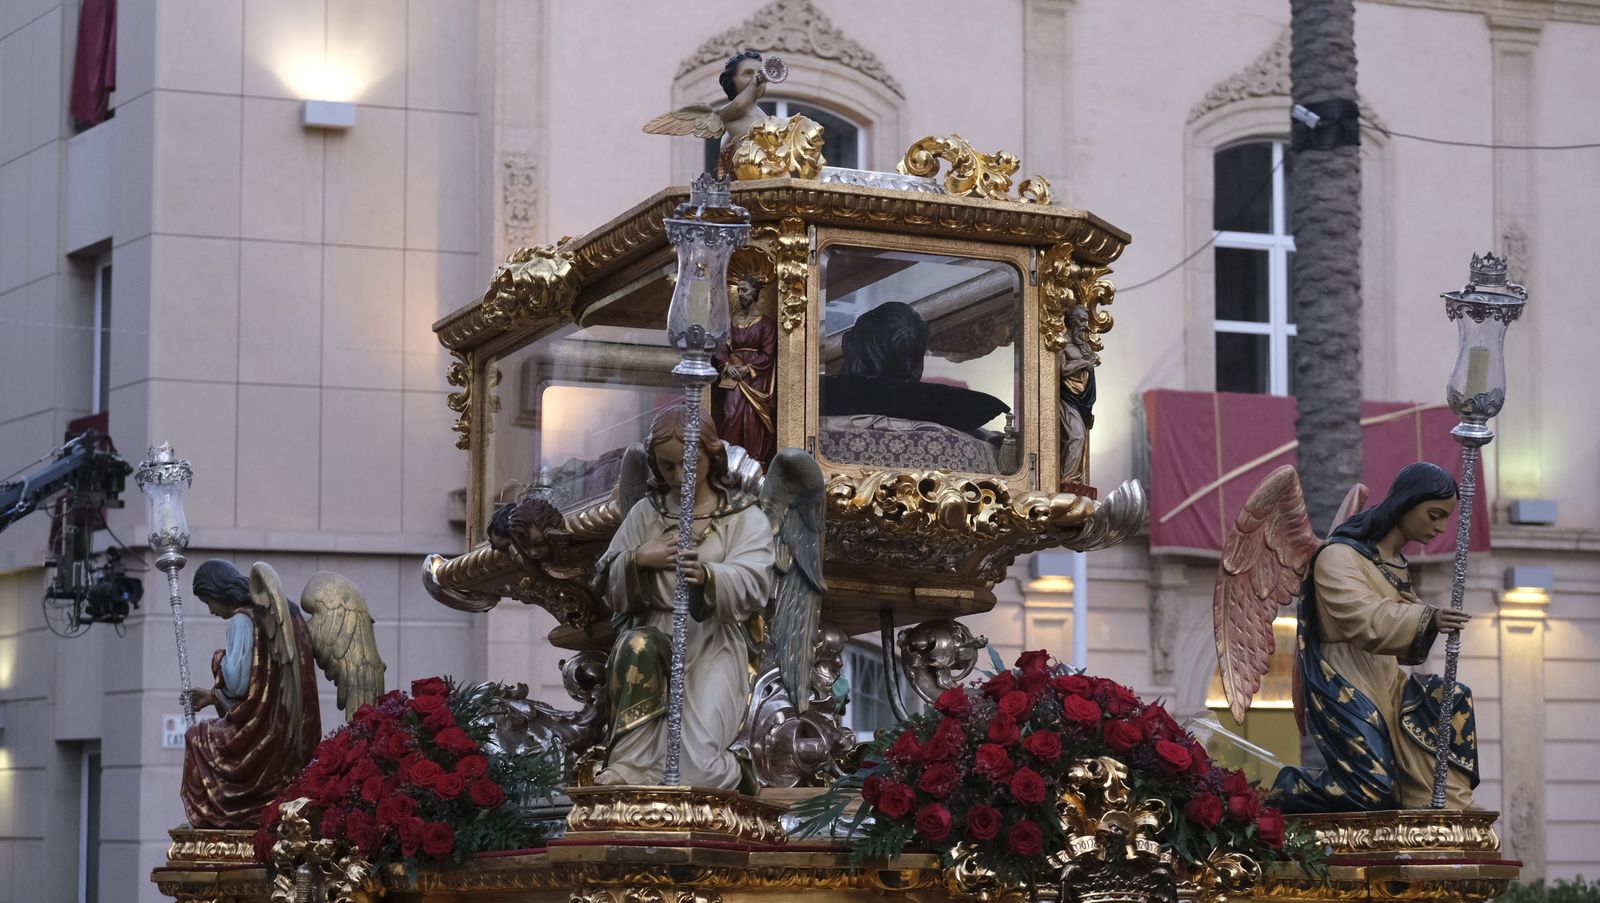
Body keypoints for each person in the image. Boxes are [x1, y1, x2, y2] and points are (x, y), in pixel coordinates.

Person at [1272, 463, 1479, 811]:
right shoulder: (1338, 556)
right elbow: (1363, 619)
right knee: (1371, 790)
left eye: (1446, 518)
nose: (1441, 528)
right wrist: (1429, 619)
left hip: (1386, 680)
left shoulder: (1392, 563)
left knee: (1453, 697)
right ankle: (1281, 792)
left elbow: (1405, 633)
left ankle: (1446, 802)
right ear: (1406, 503)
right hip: (1344, 681)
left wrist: (1429, 619)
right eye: (1434, 515)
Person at [593, 404, 774, 789]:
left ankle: (743, 782)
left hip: (712, 641)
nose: (678, 476)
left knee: (698, 771)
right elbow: (605, 580)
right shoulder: (646, 513)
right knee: (637, 644)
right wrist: (640, 558)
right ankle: (630, 764)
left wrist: (709, 576)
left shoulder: (742, 515)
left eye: (689, 465)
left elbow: (758, 583)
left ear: (712, 455)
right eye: (667, 466)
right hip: (656, 635)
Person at [180, 560, 321, 828]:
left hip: (259, 733)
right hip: (279, 730)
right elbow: (260, 685)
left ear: (219, 590)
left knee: (196, 738)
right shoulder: (267, 616)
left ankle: (218, 816)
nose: (210, 610)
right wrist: (211, 697)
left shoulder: (241, 620)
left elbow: (239, 683)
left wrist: (219, 659)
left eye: (208, 601)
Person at [712, 251, 777, 466]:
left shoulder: (766, 323)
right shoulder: (731, 321)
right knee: (731, 414)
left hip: (755, 378)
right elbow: (721, 345)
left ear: (755, 293)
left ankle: (754, 461)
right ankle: (731, 460)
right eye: (739, 290)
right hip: (733, 375)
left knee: (752, 418)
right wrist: (725, 364)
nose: (740, 294)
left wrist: (748, 369)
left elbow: (768, 353)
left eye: (745, 290)